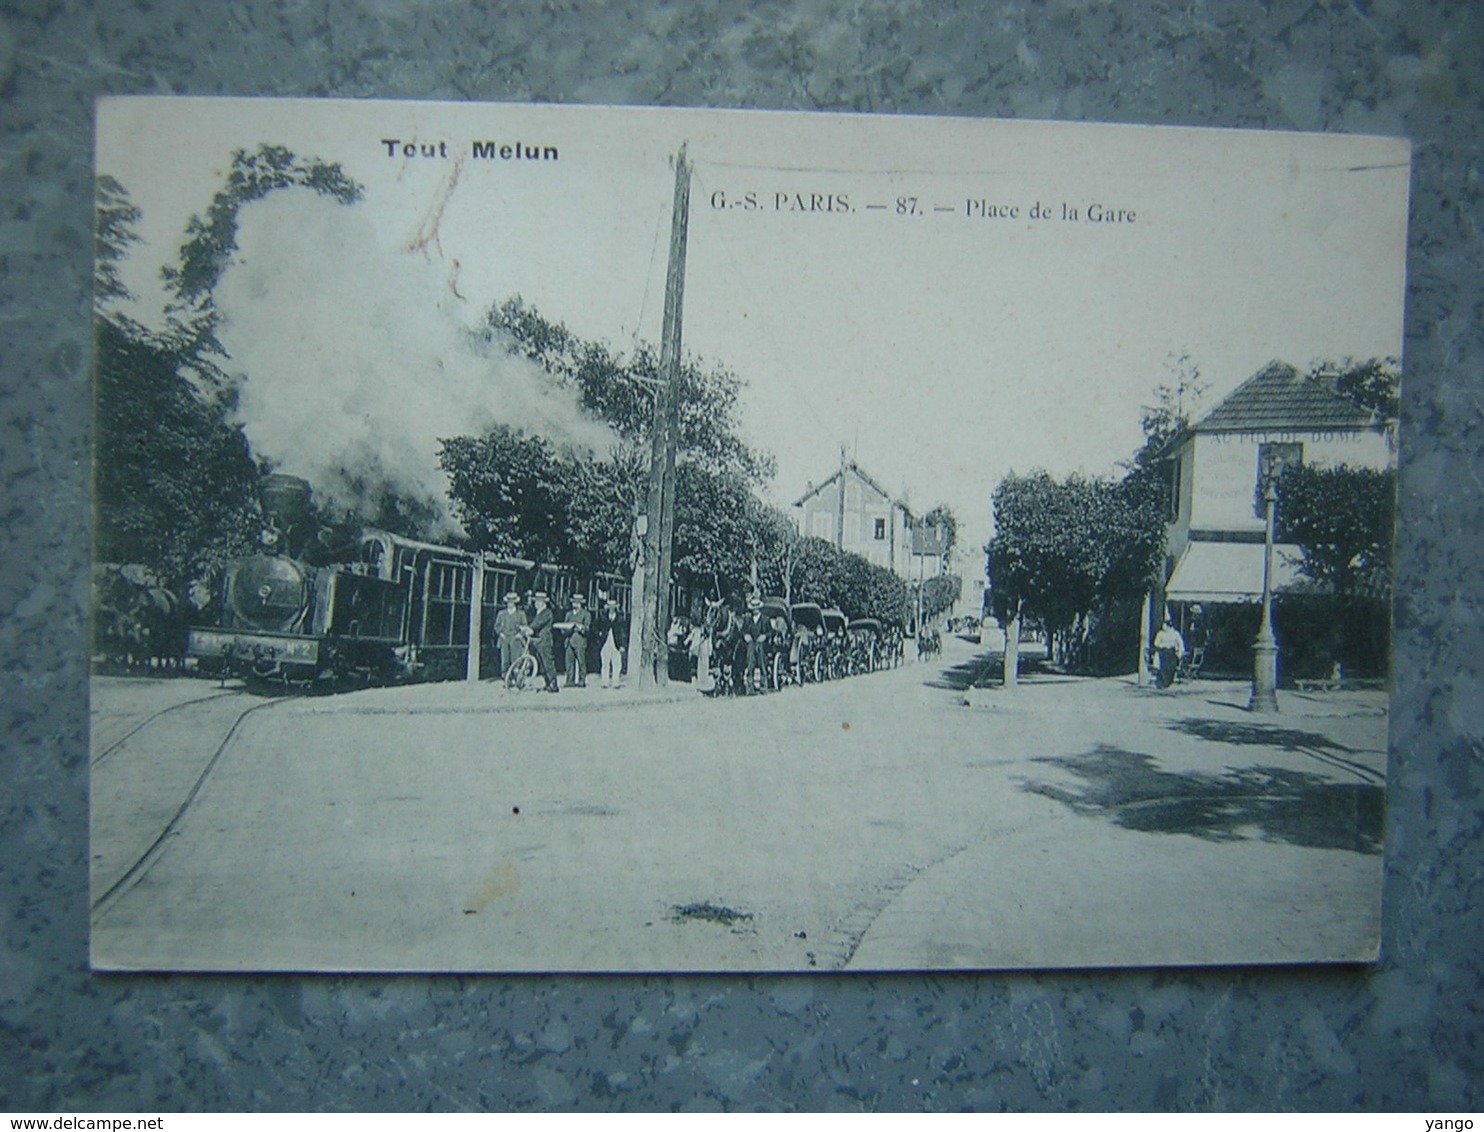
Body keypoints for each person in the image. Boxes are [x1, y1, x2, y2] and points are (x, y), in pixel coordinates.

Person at [528, 591, 560, 692]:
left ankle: (553, 684)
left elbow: (538, 624)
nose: (536, 603)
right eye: (536, 601)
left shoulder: (547, 613)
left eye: (539, 601)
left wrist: (530, 628)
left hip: (545, 641)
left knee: (548, 663)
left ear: (544, 603)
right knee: (541, 663)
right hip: (538, 641)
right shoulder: (537, 613)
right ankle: (547, 682)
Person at [492, 591, 527, 681]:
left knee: (516, 659)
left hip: (516, 639)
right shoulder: (501, 613)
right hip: (504, 638)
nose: (510, 604)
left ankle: (517, 678)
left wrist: (520, 634)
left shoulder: (521, 614)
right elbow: (496, 626)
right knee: (505, 659)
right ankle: (506, 678)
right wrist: (500, 633)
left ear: (515, 603)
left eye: (512, 602)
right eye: (508, 602)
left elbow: (525, 626)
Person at [594, 597, 627, 688]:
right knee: (605, 662)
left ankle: (616, 682)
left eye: (613, 606)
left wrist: (622, 645)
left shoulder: (620, 618)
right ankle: (605, 682)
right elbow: (595, 627)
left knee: (617, 663)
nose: (611, 608)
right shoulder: (602, 617)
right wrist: (599, 635)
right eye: (610, 606)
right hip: (605, 641)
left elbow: (623, 632)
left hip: (616, 642)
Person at [739, 595, 769, 694]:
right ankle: (750, 687)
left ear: (759, 608)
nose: (755, 610)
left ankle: (763, 685)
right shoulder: (747, 620)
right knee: (750, 660)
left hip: (762, 645)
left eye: (757, 607)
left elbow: (771, 632)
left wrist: (764, 635)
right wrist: (745, 635)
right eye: (753, 608)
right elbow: (743, 631)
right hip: (750, 645)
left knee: (761, 659)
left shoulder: (765, 619)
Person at [564, 592, 591, 687]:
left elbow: (587, 628)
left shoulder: (586, 614)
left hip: (580, 641)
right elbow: (565, 625)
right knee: (569, 662)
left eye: (577, 603)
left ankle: (581, 680)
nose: (575, 604)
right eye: (574, 602)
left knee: (581, 661)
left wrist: (581, 629)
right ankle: (569, 680)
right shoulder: (568, 614)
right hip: (569, 640)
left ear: (581, 604)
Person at [1153, 616, 1186, 689]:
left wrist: (1179, 652)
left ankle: (1169, 681)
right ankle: (1163, 682)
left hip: (1171, 652)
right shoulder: (1160, 633)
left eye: (1165, 625)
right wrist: (1161, 645)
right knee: (1163, 667)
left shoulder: (1175, 633)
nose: (1163, 627)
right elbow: (1156, 643)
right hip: (1163, 652)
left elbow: (1180, 643)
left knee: (1171, 667)